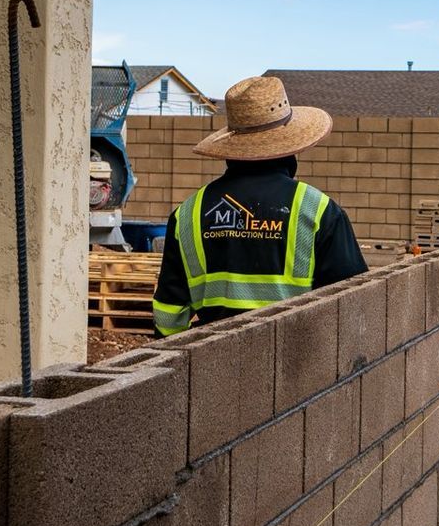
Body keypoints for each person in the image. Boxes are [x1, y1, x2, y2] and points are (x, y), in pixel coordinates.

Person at [152, 75, 367, 336]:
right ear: (291, 145)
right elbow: (353, 306)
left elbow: (167, 316)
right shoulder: (318, 210)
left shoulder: (188, 214)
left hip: (210, 366)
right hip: (298, 364)